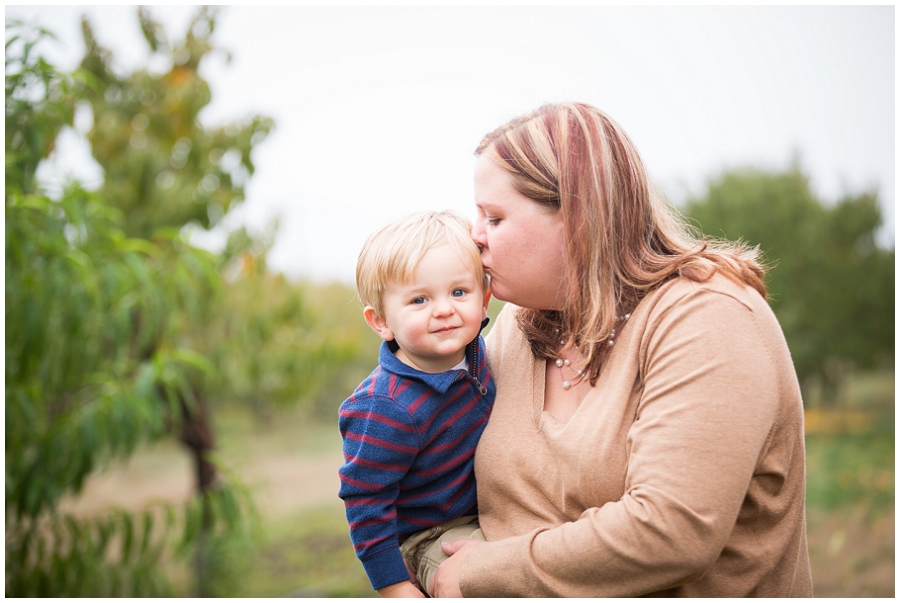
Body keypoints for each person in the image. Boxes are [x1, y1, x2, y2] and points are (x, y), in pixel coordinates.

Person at [429, 102, 813, 597]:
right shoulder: (518, 325)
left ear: (577, 217)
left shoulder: (708, 317)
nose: (475, 236)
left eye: (494, 217)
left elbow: (670, 533)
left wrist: (482, 573)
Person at [338, 210, 495, 597]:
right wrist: (394, 587)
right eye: (419, 299)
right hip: (431, 535)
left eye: (459, 292)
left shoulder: (480, 354)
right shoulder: (385, 406)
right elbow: (366, 501)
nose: (443, 309)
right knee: (490, 580)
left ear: (485, 299)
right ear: (381, 321)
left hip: (490, 511)